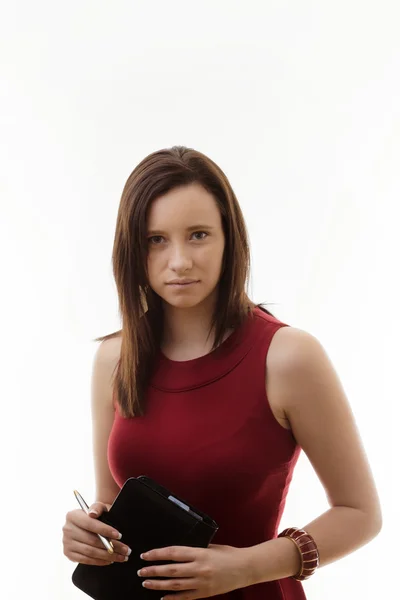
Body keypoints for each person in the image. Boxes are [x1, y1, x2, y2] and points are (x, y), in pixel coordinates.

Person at [62, 145, 382, 600]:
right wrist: (88, 535)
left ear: (229, 238)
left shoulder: (288, 356)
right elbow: (112, 501)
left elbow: (360, 512)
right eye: (156, 239)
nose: (179, 261)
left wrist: (246, 566)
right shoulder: (114, 358)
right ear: (132, 247)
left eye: (198, 235)